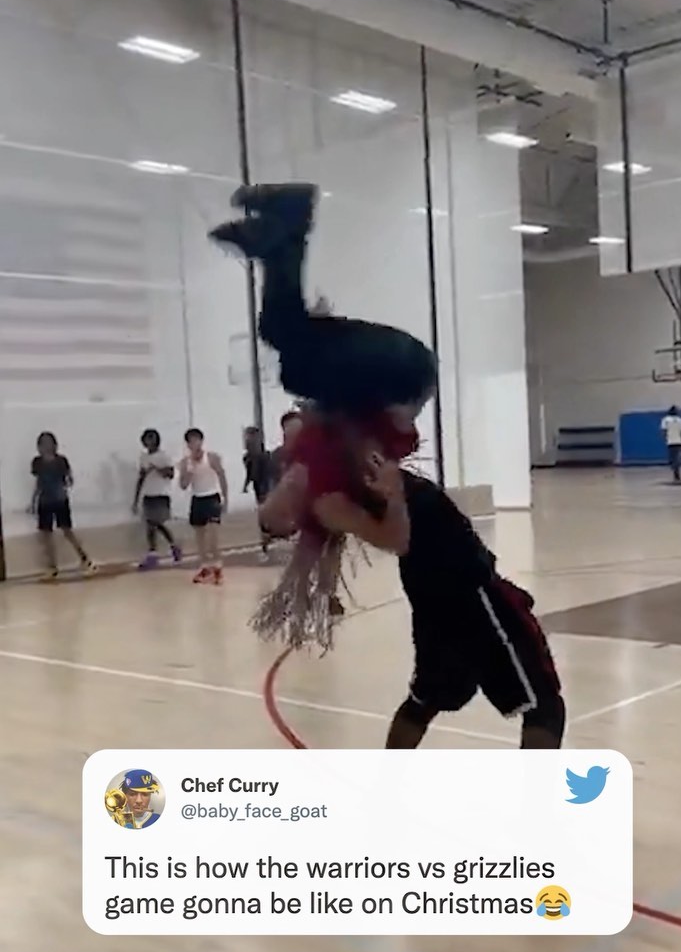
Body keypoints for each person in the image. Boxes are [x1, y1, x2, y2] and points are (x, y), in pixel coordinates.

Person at [210, 184, 565, 750]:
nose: (273, 504)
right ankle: (285, 229)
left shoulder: (319, 469)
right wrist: (393, 494)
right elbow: (396, 539)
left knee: (287, 344)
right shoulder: (334, 500)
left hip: (387, 386)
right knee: (538, 704)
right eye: (276, 514)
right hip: (407, 389)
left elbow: (311, 519)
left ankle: (280, 237)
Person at [30, 432, 96, 580]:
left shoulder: (61, 461)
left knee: (67, 531)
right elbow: (38, 483)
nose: (46, 447)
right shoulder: (37, 462)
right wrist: (33, 501)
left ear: (54, 445)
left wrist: (67, 482)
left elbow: (69, 478)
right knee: (46, 535)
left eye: (48, 443)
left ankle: (85, 559)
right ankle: (51, 567)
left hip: (60, 500)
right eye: (43, 444)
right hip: (44, 501)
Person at [179, 429, 228, 585]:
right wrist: (189, 472)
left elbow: (222, 476)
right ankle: (205, 567)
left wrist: (225, 498)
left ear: (201, 441)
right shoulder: (185, 462)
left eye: (197, 440)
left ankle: (218, 568)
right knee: (200, 538)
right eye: (191, 441)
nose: (195, 444)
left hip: (212, 497)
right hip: (197, 499)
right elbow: (183, 485)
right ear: (188, 444)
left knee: (213, 537)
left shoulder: (212, 458)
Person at [132, 429, 182, 569]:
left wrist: (156, 468)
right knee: (151, 525)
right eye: (146, 439)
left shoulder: (164, 456)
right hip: (148, 494)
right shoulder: (144, 458)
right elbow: (141, 478)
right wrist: (136, 499)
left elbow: (170, 474)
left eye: (151, 439)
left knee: (155, 523)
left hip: (161, 494)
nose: (149, 442)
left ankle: (155, 553)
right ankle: (168, 548)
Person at [243, 426, 274, 558]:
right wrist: (245, 485)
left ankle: (267, 542)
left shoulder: (265, 456)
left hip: (266, 487)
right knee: (263, 516)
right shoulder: (248, 457)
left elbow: (269, 473)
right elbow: (250, 473)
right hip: (259, 487)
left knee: (265, 516)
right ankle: (266, 542)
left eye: (250, 437)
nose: (248, 440)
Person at [660, 405, 681, 484]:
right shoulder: (680, 420)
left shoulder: (665, 420)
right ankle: (676, 474)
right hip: (679, 441)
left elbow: (664, 431)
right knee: (676, 458)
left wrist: (665, 438)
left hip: (670, 441)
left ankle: (676, 476)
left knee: (673, 459)